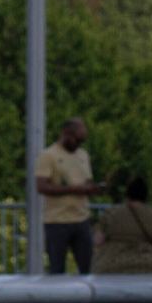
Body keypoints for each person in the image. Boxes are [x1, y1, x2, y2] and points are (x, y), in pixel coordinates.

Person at [34, 117, 103, 276]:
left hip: (81, 219)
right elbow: (41, 186)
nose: (78, 144)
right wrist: (72, 189)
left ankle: (89, 300)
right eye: (76, 140)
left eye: (81, 141)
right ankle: (56, 300)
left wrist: (93, 189)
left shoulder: (83, 155)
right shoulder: (48, 155)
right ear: (66, 134)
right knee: (57, 269)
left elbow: (86, 181)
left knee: (89, 268)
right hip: (57, 222)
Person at [95, 173, 152, 275]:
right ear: (146, 195)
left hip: (112, 265)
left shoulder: (111, 213)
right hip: (151, 266)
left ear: (127, 194)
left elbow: (98, 241)